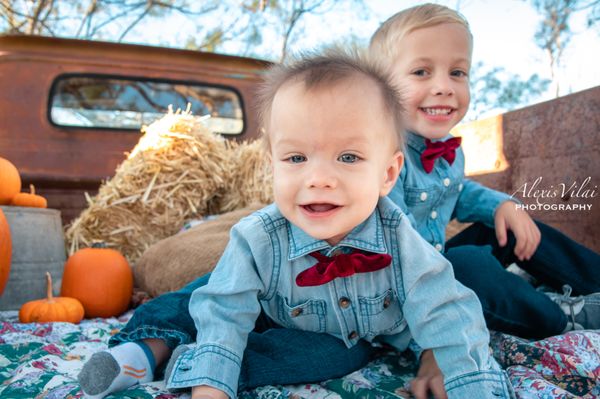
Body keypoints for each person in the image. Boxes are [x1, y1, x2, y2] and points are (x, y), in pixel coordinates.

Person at [79, 49, 513, 399]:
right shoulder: (257, 236)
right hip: (271, 304)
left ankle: (189, 364)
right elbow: (225, 312)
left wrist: (467, 381)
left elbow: (444, 310)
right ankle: (143, 349)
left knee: (320, 359)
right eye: (296, 158)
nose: (317, 177)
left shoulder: (398, 236)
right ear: (272, 166)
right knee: (203, 295)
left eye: (348, 157)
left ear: (387, 174)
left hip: (350, 334)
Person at [368, 3, 600, 340]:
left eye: (457, 73)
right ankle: (557, 317)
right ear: (380, 89)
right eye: (421, 72)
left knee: (509, 225)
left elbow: (458, 191)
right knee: (467, 265)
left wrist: (501, 205)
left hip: (438, 261)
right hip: (404, 292)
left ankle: (592, 277)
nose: (444, 86)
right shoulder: (382, 156)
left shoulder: (448, 148)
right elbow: (399, 248)